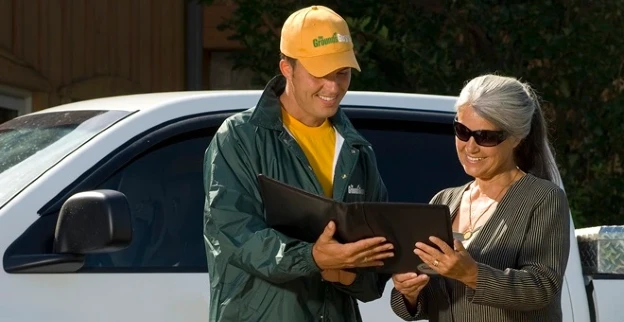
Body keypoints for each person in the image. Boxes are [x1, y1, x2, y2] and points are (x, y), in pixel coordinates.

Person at [203, 5, 393, 322]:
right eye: (320, 73)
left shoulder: (358, 151)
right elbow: (235, 232)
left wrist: (347, 274)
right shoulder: (240, 138)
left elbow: (376, 273)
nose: (333, 88)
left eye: (342, 73)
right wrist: (313, 257)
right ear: (286, 67)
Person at [390, 74, 571, 321]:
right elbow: (429, 300)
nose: (471, 146)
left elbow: (541, 287)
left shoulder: (543, 198)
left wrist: (472, 274)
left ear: (516, 137)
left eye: (485, 136)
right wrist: (409, 292)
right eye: (462, 131)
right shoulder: (443, 201)